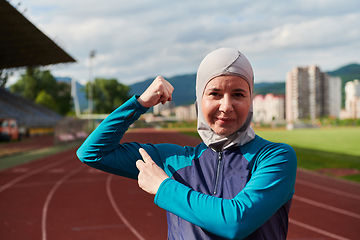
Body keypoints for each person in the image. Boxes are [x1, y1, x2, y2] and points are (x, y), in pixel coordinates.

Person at [76, 47, 297, 240]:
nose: (226, 106)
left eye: (238, 94)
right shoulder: (173, 159)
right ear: (199, 101)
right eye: (215, 94)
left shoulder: (274, 157)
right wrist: (140, 104)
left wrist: (164, 187)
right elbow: (93, 152)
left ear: (250, 100)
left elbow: (235, 222)